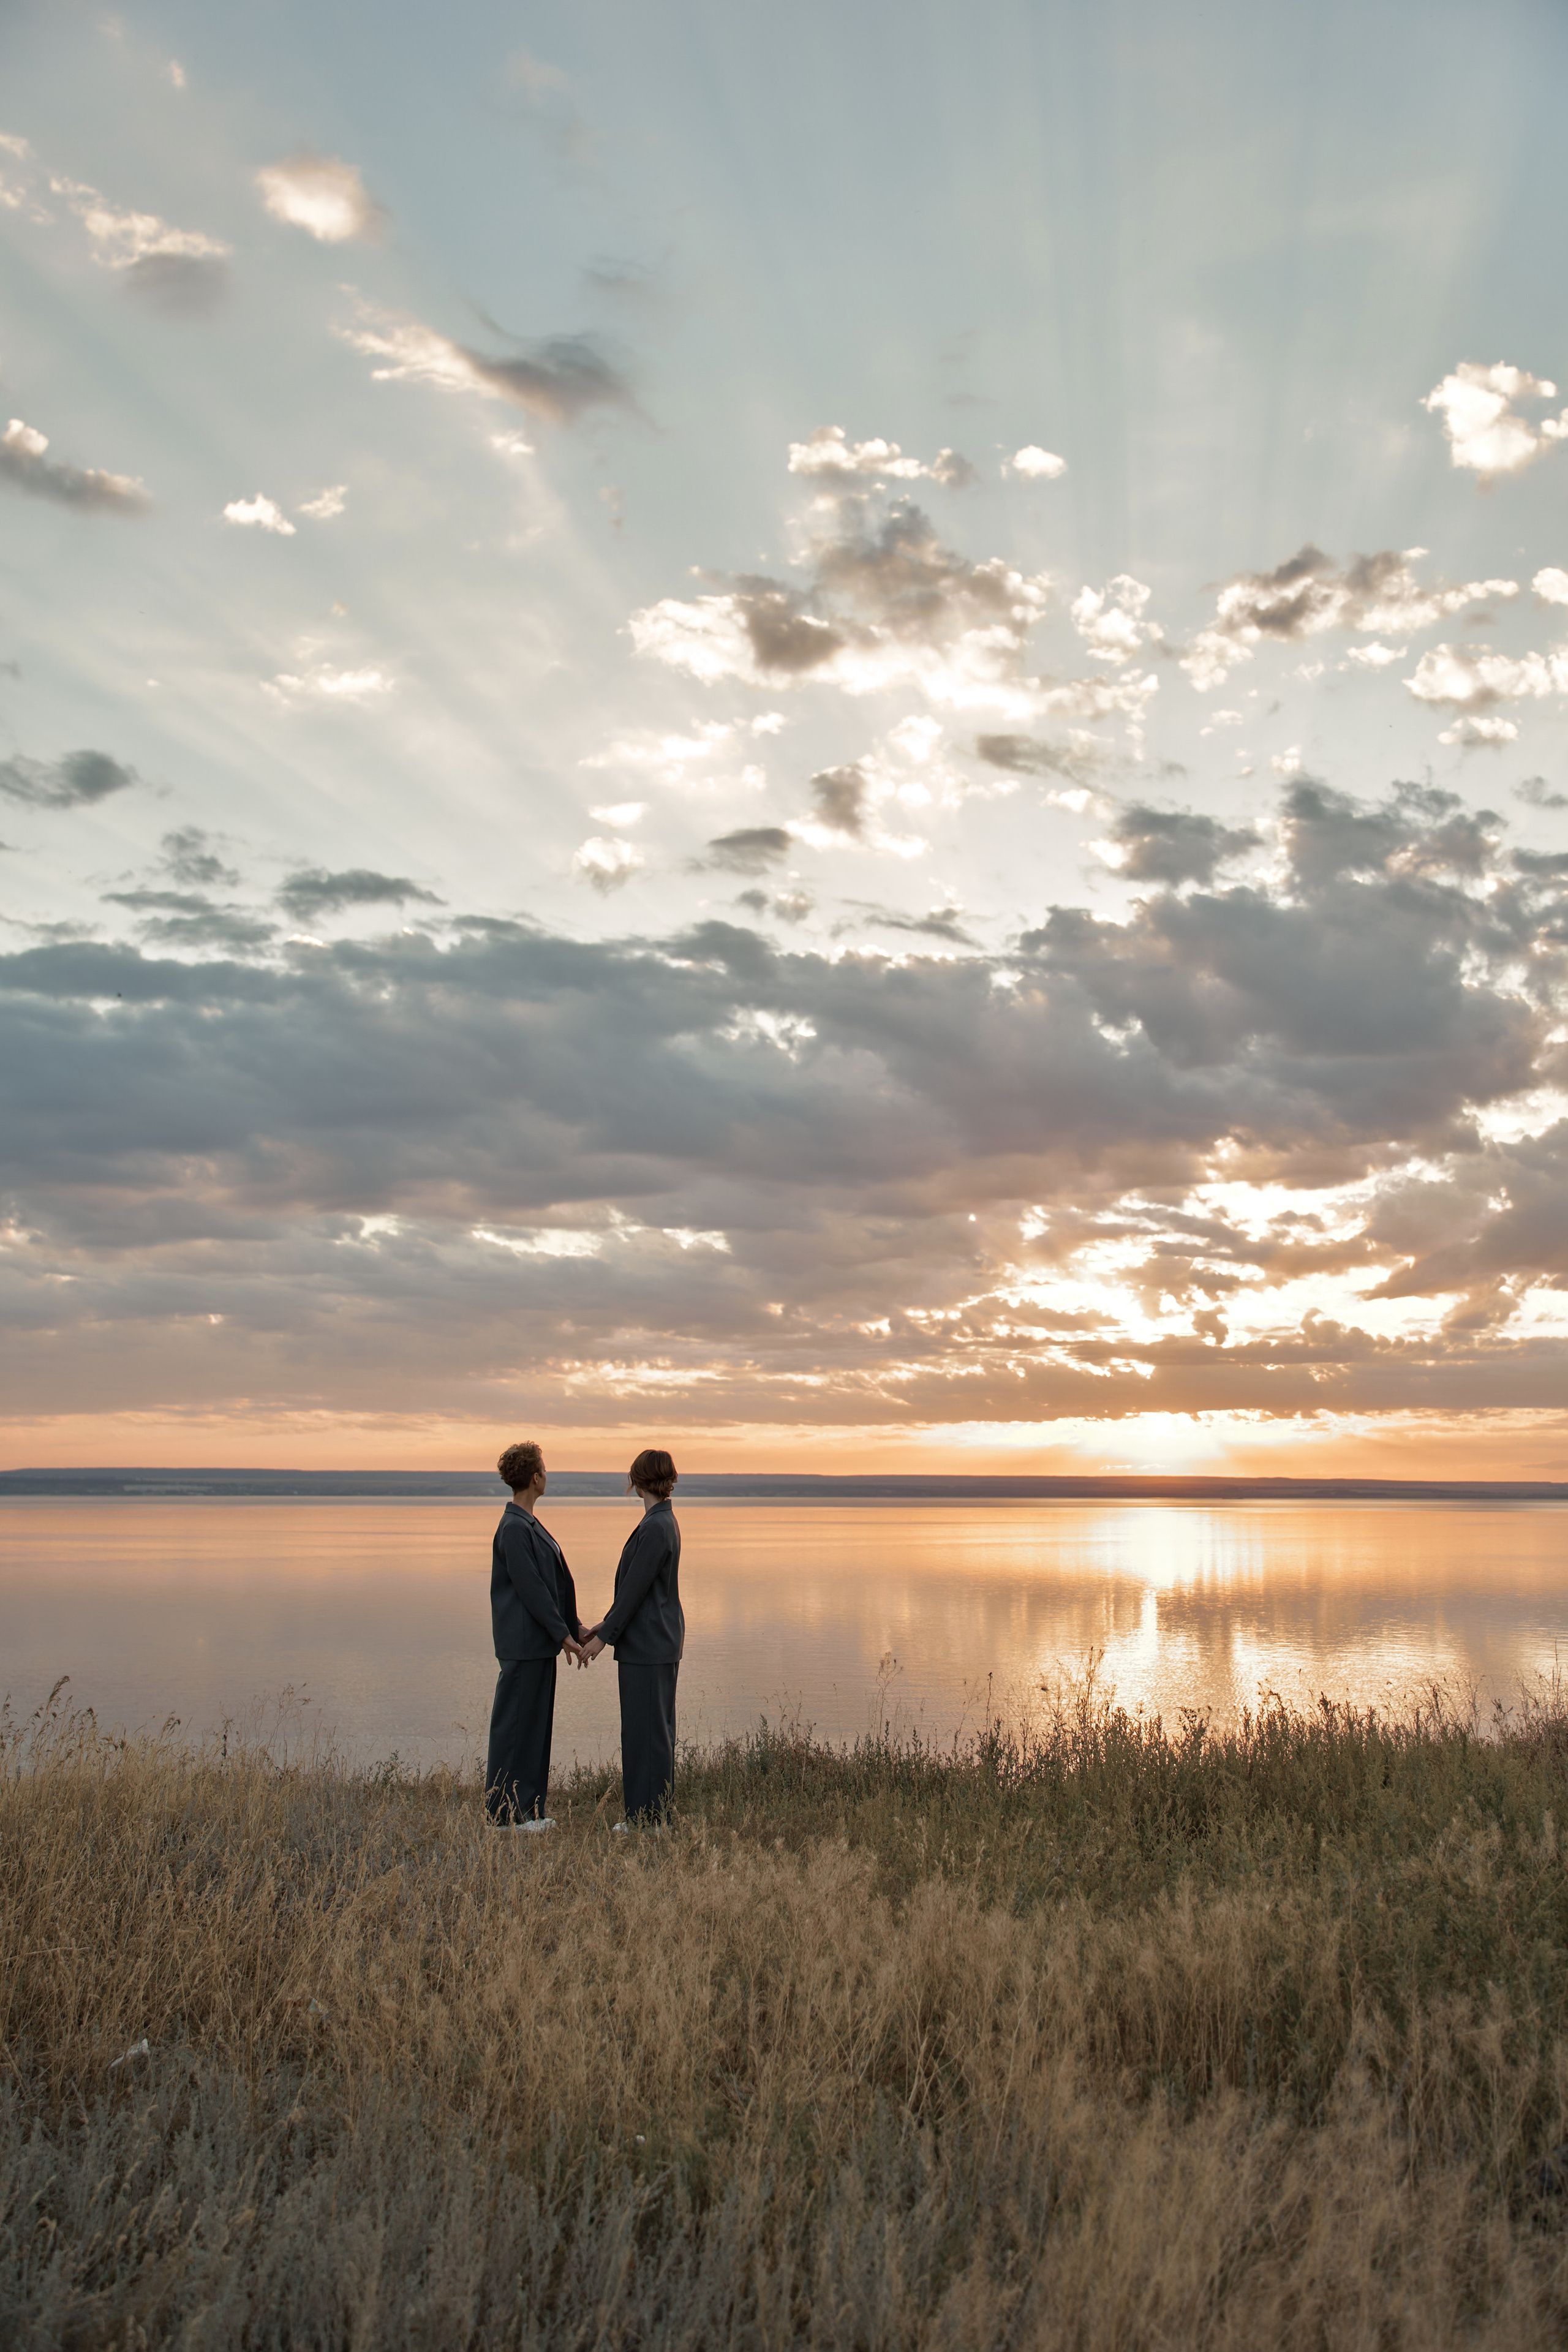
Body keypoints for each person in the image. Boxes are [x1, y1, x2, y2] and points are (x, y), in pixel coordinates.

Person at [485, 1441, 588, 1830]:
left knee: (533, 1727)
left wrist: (573, 1625)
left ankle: (528, 1810)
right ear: (534, 1477)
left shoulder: (526, 1522)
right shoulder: (513, 1526)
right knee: (516, 1727)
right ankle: (506, 1816)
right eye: (544, 1468)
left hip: (538, 1644)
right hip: (524, 1644)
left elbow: (554, 1584)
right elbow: (531, 1590)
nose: (547, 1474)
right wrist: (565, 1637)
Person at [579, 1448, 684, 1827]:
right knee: (649, 1732)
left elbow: (635, 1591)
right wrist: (604, 1625)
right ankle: (651, 1817)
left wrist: (603, 1636)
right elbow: (632, 1593)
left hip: (649, 1644)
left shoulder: (657, 1526)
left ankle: (649, 1820)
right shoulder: (660, 1521)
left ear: (637, 1482)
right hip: (653, 1642)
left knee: (648, 1734)